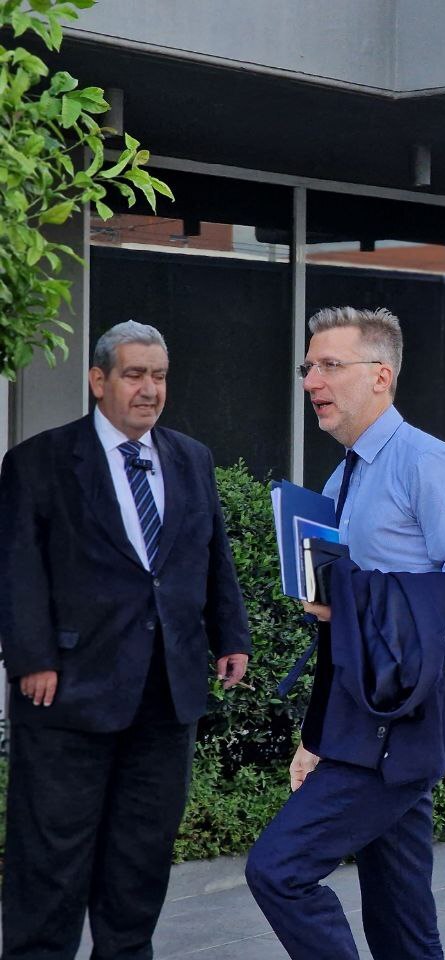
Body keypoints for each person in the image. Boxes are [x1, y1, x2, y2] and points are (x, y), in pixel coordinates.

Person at [246, 306, 445, 960]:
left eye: (330, 365)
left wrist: (359, 599)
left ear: (381, 375)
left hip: (419, 706)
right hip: (366, 703)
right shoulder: (343, 477)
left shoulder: (430, 464)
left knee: (279, 869)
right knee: (399, 907)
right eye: (308, 367)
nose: (312, 381)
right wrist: (316, 736)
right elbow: (343, 624)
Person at [0, 320, 252, 960]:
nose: (150, 389)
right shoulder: (40, 460)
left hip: (166, 691)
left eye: (159, 376)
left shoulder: (191, 458)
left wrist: (231, 635)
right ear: (98, 380)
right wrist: (31, 658)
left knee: (141, 854)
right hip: (67, 689)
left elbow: (211, 554)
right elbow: (18, 567)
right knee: (50, 856)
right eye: (135, 374)